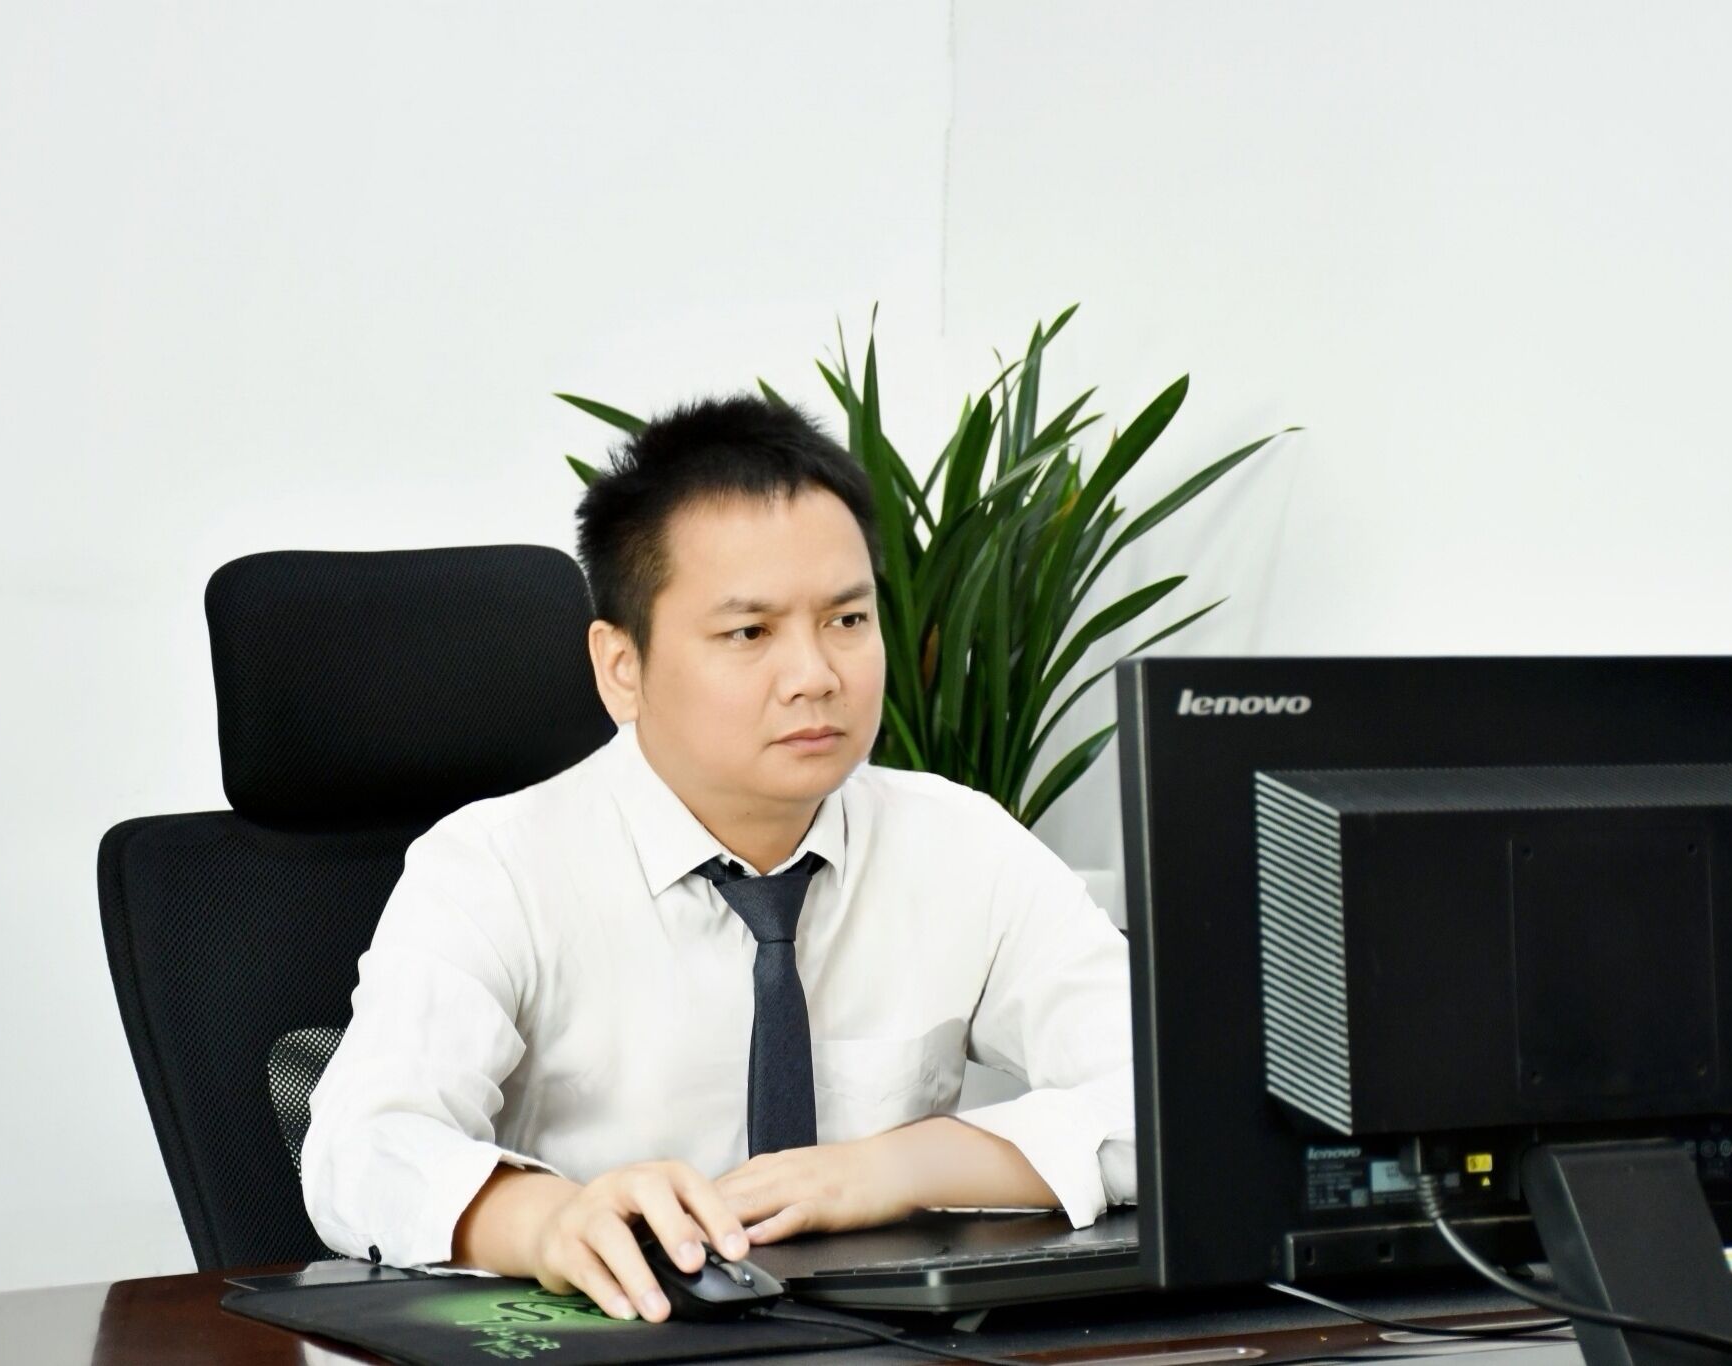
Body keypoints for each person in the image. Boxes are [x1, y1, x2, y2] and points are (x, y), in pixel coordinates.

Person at [301, 393, 1135, 1324]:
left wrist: (892, 1169)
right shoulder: (495, 868)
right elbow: (360, 1151)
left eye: (848, 619)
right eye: (750, 632)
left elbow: (1186, 1092)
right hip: (612, 1339)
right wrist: (549, 1222)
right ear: (622, 666)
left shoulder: (961, 844)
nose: (816, 675)